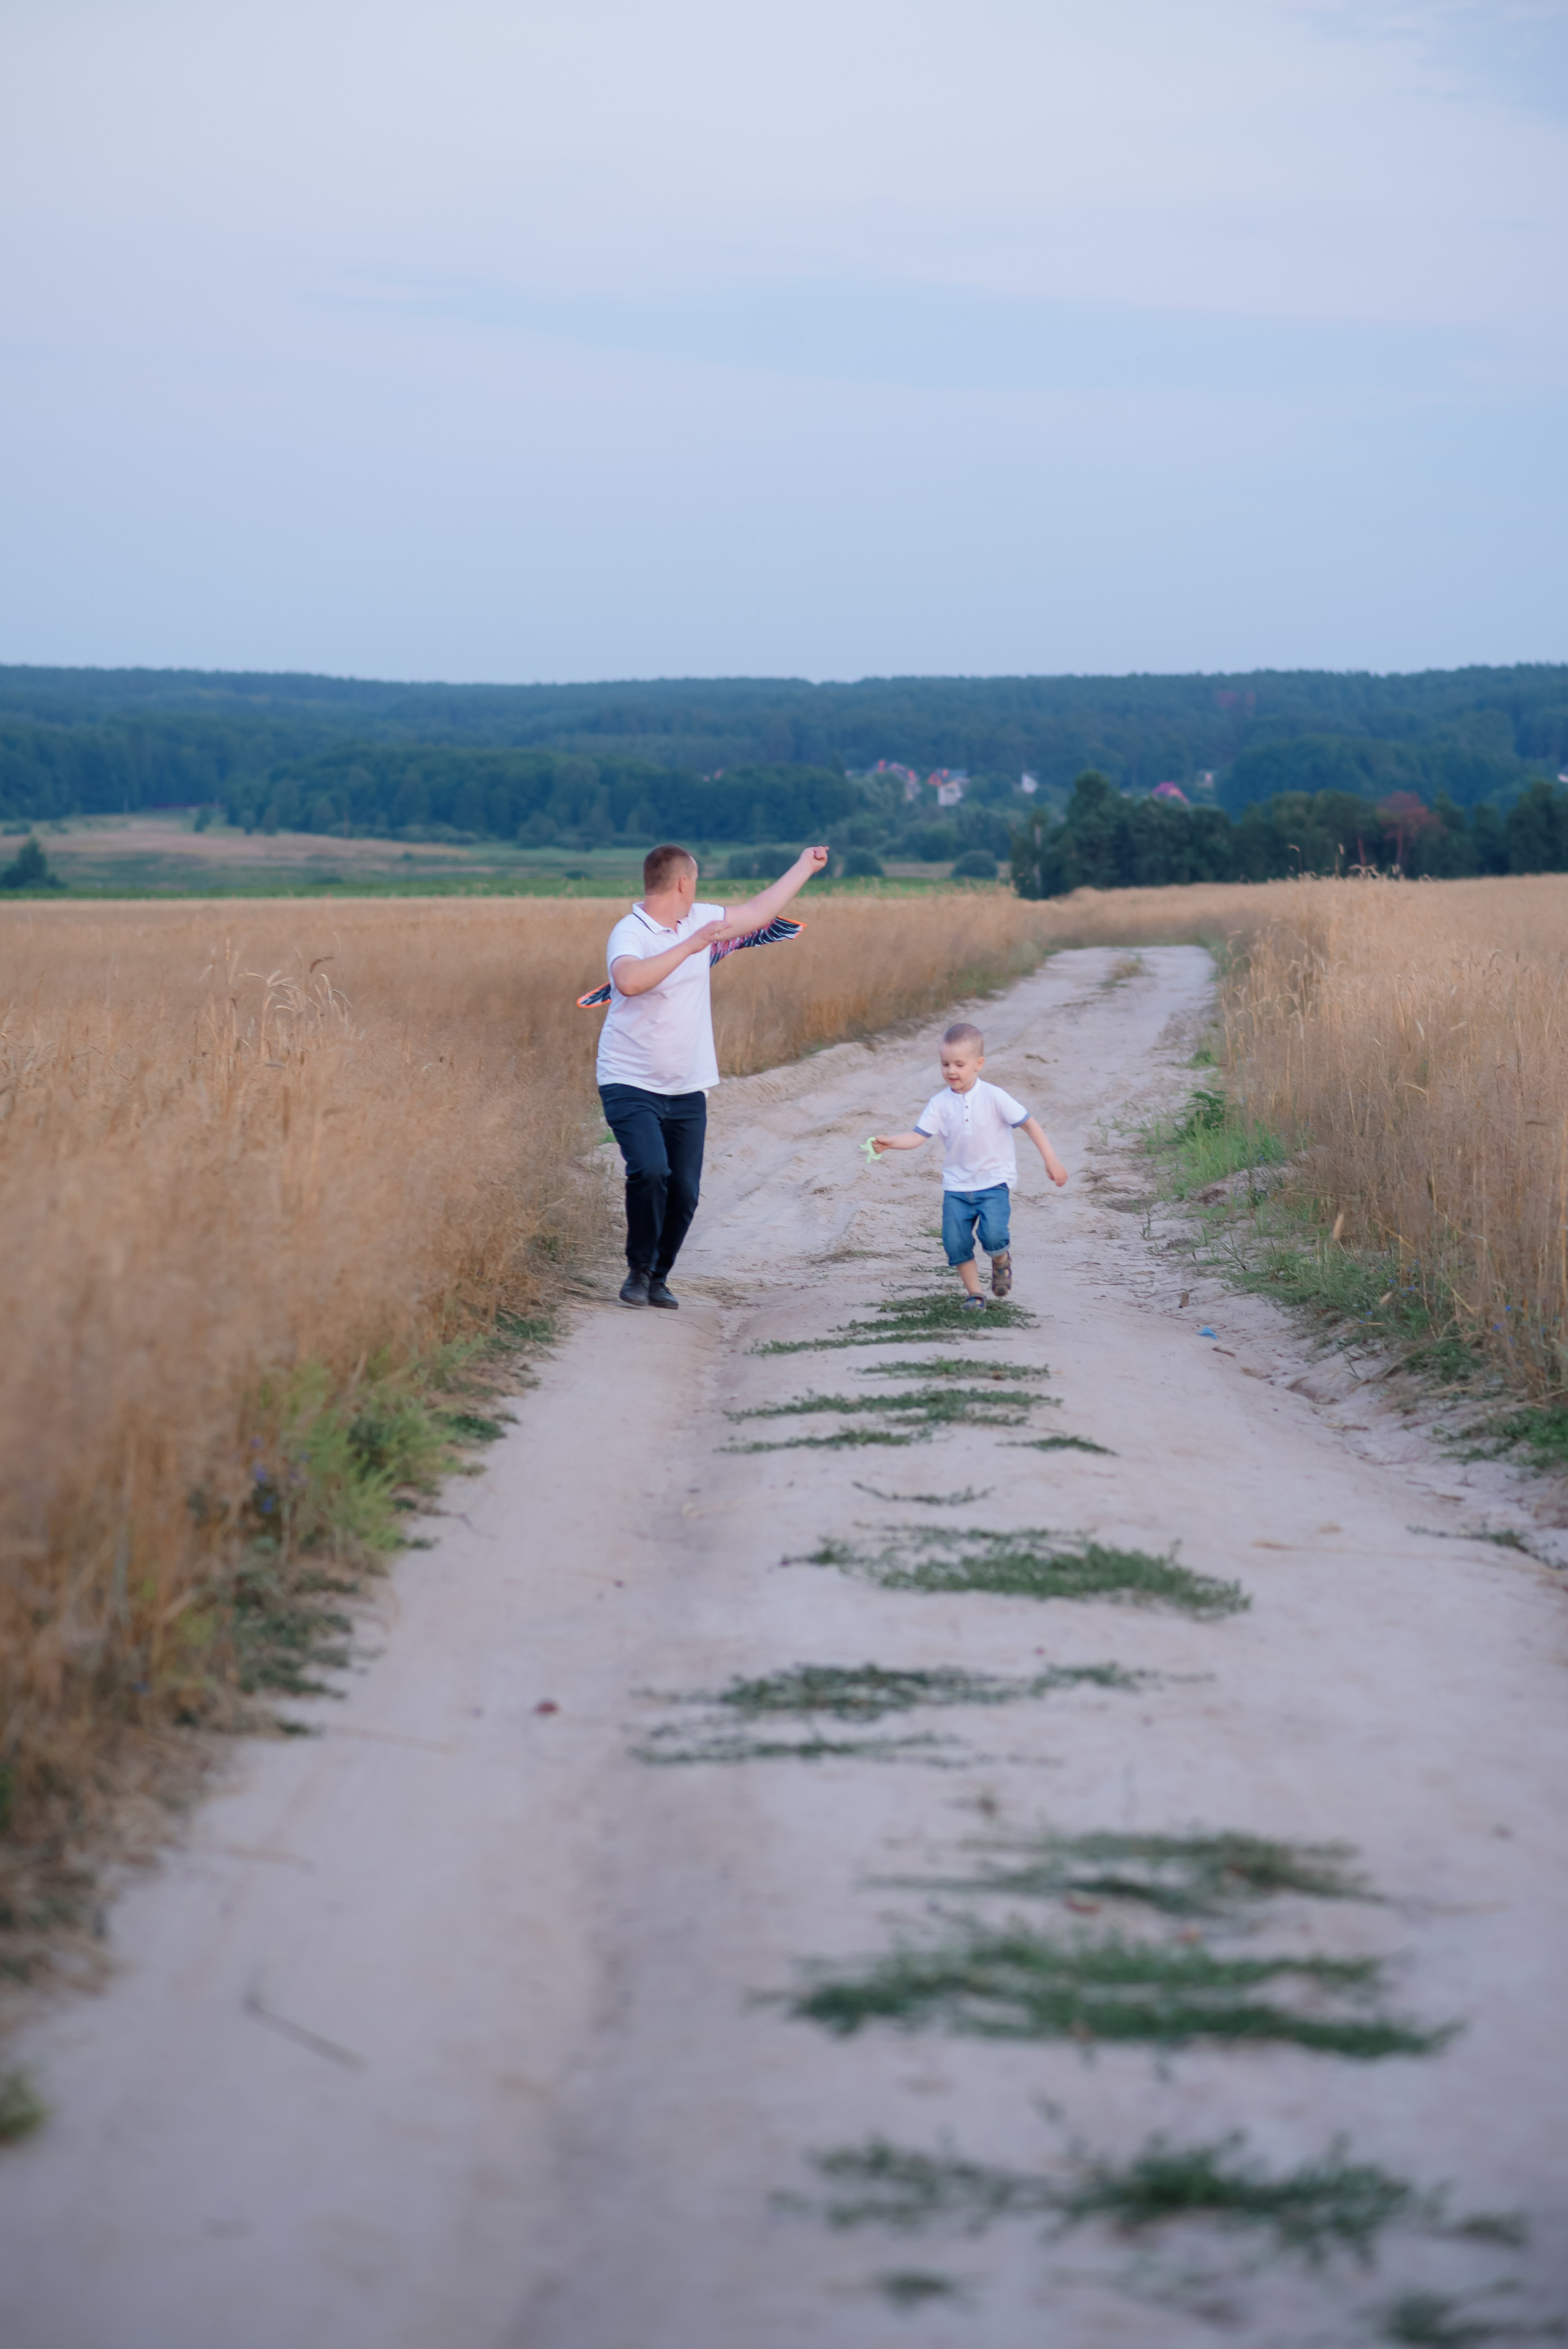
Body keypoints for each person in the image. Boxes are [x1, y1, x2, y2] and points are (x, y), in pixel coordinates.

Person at [598, 841, 829, 1307]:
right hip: (629, 1080)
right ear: (683, 883)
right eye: (697, 881)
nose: (698, 889)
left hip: (687, 1086)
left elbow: (759, 913)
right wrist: (692, 945)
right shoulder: (631, 932)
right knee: (651, 1171)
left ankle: (659, 1277)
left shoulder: (701, 918)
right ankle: (638, 1271)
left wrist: (805, 865)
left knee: (685, 1191)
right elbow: (629, 981)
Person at [870, 1021, 1068, 1306]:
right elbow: (918, 1136)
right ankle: (976, 1295)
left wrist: (1051, 1159)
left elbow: (1029, 1124)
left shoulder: (994, 1096)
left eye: (959, 1064)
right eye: (945, 1064)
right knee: (955, 1242)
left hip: (994, 1182)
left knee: (993, 1236)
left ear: (979, 1064)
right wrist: (891, 1142)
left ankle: (1000, 1259)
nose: (951, 1071)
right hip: (956, 1187)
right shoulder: (939, 1103)